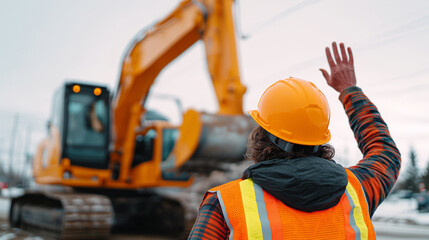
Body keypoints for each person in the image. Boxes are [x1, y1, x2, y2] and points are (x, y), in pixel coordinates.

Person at [188, 42, 401, 239]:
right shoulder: (358, 189)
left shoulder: (225, 204)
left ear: (261, 138)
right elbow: (385, 153)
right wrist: (349, 91)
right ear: (321, 139)